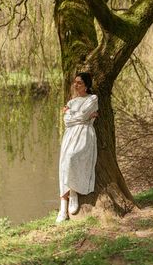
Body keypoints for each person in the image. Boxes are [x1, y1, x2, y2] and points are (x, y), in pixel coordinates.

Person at [56, 72, 98, 223]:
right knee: (64, 163)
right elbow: (68, 121)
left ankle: (73, 192)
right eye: (75, 82)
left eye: (79, 83)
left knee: (73, 157)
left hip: (84, 134)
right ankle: (63, 207)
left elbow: (81, 116)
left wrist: (71, 114)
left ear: (86, 85)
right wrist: (76, 115)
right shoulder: (72, 102)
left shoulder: (92, 99)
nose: (76, 85)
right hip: (69, 135)